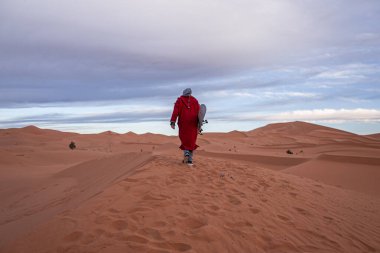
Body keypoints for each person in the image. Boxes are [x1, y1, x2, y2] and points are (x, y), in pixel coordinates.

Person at [170, 88, 200, 165]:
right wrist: (200, 124)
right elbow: (200, 113)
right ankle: (190, 160)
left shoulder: (179, 100)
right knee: (192, 140)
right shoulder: (195, 101)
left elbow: (175, 112)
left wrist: (173, 122)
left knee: (184, 138)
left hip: (183, 123)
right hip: (193, 123)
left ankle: (186, 151)